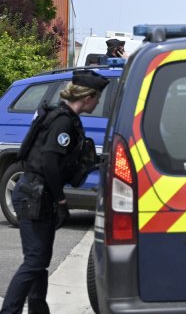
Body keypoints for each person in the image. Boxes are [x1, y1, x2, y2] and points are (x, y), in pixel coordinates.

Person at [2, 70, 106, 314]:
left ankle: (39, 309)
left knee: (39, 261)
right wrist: (61, 199)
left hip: (37, 193)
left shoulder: (64, 116)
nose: (99, 102)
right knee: (35, 261)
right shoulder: (63, 121)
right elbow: (49, 162)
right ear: (88, 97)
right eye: (98, 97)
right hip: (34, 194)